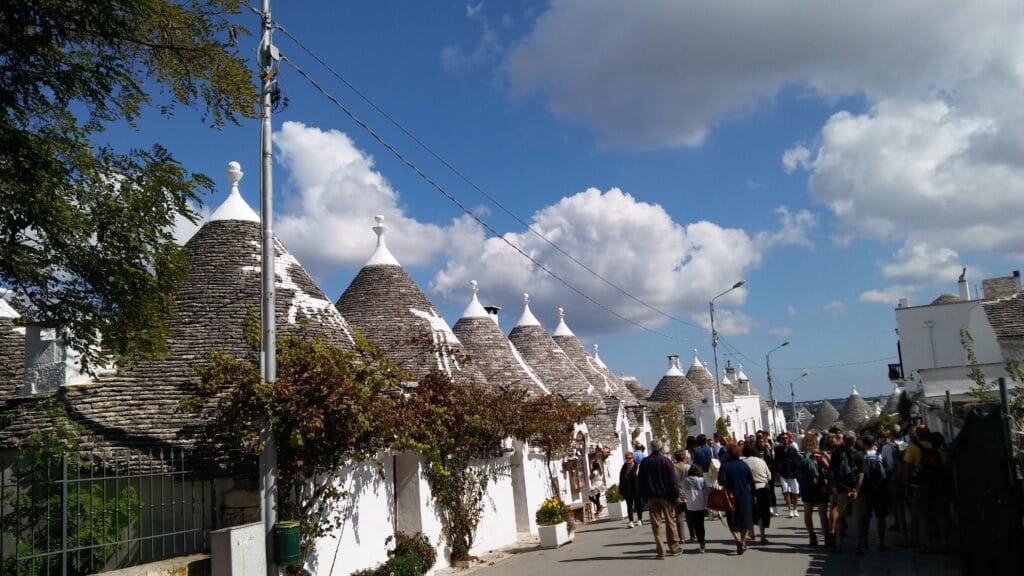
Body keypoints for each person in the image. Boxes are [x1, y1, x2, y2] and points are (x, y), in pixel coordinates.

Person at [637, 439, 682, 558]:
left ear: (651, 448)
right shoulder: (666, 461)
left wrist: (643, 496)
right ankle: (674, 547)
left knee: (656, 524)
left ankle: (661, 550)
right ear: (661, 448)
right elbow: (672, 480)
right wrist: (676, 495)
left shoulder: (645, 462)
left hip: (652, 497)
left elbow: (640, 481)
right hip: (666, 496)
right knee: (670, 521)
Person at [793, 431, 831, 547]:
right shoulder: (818, 455)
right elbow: (828, 468)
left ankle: (812, 536)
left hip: (806, 486)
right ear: (815, 443)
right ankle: (827, 537)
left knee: (807, 512)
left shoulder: (800, 456)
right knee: (822, 514)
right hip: (820, 485)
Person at [830, 430, 864, 552]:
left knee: (841, 517)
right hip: (856, 490)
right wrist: (856, 490)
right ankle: (858, 544)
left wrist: (842, 487)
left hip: (842, 489)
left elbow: (833, 472)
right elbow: (861, 475)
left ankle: (838, 543)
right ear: (854, 441)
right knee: (857, 518)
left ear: (843, 440)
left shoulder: (836, 453)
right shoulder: (859, 455)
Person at [718, 442, 755, 555]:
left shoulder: (724, 466)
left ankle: (737, 540)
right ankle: (743, 541)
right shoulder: (744, 465)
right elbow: (751, 482)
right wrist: (753, 495)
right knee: (745, 521)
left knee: (732, 521)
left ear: (728, 453)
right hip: (745, 496)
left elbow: (721, 481)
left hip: (731, 497)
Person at [854, 435, 889, 554]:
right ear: (874, 443)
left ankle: (862, 541)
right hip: (880, 489)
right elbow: (887, 470)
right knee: (881, 517)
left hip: (865, 490)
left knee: (864, 517)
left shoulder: (860, 456)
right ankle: (881, 542)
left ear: (863, 444)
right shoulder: (880, 455)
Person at [741, 443, 773, 544]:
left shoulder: (743, 462)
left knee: (750, 511)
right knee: (762, 513)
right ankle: (762, 536)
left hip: (749, 489)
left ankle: (752, 531)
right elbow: (769, 476)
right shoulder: (761, 461)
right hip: (763, 488)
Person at [683, 464, 707, 552]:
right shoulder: (701, 480)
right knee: (701, 525)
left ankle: (698, 541)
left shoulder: (686, 480)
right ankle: (702, 544)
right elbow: (705, 493)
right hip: (700, 505)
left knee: (694, 525)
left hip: (690, 506)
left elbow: (684, 491)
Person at [776, 432, 801, 518]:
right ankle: (790, 509)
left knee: (795, 492)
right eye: (783, 438)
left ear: (788, 439)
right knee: (786, 491)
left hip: (793, 474)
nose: (785, 440)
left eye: (786, 438)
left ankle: (795, 509)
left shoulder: (793, 449)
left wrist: (798, 471)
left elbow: (797, 461)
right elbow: (776, 461)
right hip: (783, 473)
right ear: (781, 440)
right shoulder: (778, 450)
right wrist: (777, 471)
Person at [673, 450, 694, 544]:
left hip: (677, 493)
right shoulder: (688, 467)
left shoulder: (672, 468)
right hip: (688, 492)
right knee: (690, 515)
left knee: (679, 516)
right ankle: (692, 535)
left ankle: (682, 538)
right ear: (684, 457)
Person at [619, 451, 644, 527]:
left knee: (638, 504)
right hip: (627, 489)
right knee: (629, 505)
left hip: (636, 489)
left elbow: (642, 479)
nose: (628, 460)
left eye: (630, 458)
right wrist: (621, 489)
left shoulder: (638, 467)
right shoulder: (624, 468)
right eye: (626, 458)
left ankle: (639, 519)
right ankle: (631, 521)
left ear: (633, 458)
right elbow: (621, 479)